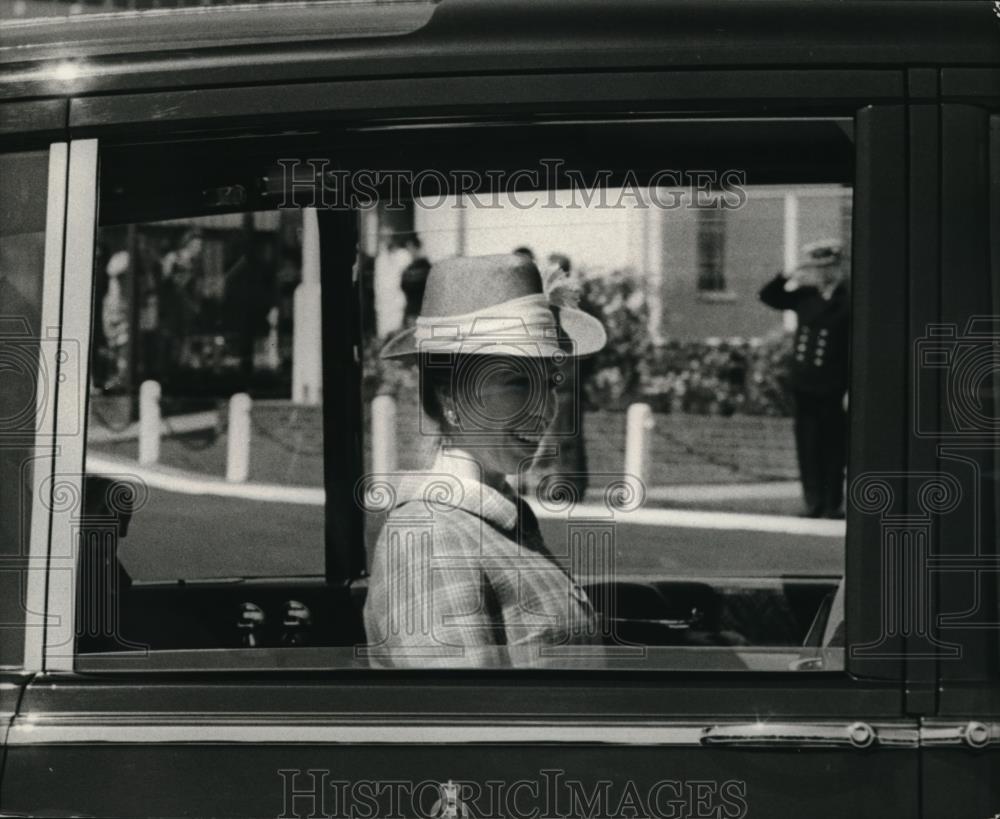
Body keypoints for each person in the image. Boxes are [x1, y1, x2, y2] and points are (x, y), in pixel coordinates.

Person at [364, 253, 608, 668]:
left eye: (549, 381)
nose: (544, 408)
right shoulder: (431, 540)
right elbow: (464, 722)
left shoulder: (493, 521)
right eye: (516, 382)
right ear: (450, 397)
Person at [759, 239, 849, 518]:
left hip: (833, 385)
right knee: (808, 445)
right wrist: (789, 273)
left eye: (828, 268)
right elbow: (768, 296)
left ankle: (832, 504)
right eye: (818, 268)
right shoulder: (804, 296)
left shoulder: (849, 299)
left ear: (839, 267)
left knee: (833, 447)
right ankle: (813, 502)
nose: (823, 274)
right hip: (804, 384)